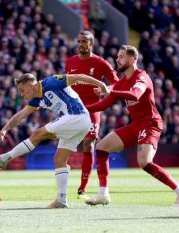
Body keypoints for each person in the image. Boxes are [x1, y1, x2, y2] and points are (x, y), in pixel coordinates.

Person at [0, 73, 109, 208]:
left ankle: (4, 158)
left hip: (77, 116)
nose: (21, 95)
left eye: (22, 90)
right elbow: (21, 116)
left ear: (31, 85)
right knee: (59, 160)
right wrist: (5, 129)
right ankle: (61, 200)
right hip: (78, 123)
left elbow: (78, 77)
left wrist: (101, 85)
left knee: (38, 134)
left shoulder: (51, 82)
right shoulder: (37, 99)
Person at [84, 45, 179, 207]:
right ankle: (103, 193)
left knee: (144, 162)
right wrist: (81, 109)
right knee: (102, 147)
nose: (117, 59)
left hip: (150, 123)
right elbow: (103, 105)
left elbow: (135, 94)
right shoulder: (122, 82)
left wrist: (110, 90)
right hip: (136, 124)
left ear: (132, 59)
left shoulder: (142, 77)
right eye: (117, 56)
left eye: (121, 57)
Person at [66, 31, 119, 200]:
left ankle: (82, 187)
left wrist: (105, 90)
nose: (81, 44)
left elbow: (116, 82)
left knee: (88, 145)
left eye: (84, 42)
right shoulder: (70, 62)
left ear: (91, 44)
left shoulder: (100, 63)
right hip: (73, 110)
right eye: (79, 41)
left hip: (93, 110)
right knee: (65, 145)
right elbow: (67, 83)